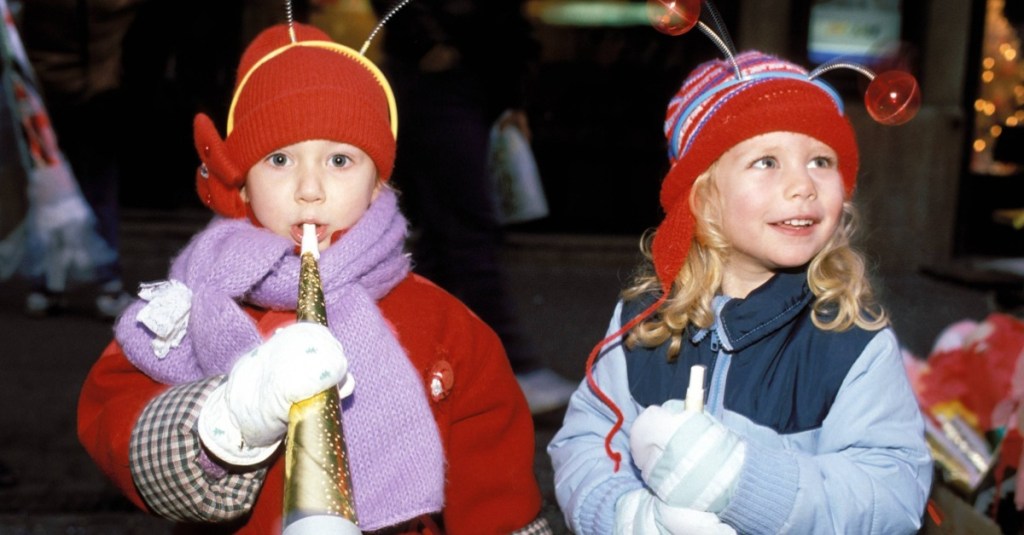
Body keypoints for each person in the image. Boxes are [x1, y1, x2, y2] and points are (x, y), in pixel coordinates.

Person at [77, 22, 549, 534]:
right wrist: (231, 417)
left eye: (340, 160)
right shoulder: (196, 302)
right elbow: (112, 415)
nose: (309, 188)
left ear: (377, 183)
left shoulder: (448, 326)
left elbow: (496, 498)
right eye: (279, 160)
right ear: (244, 182)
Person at [547, 51, 933, 534]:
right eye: (766, 161)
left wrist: (743, 485)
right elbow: (585, 442)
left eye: (821, 160)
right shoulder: (642, 321)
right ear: (703, 193)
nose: (802, 185)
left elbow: (893, 494)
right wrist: (627, 517)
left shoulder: (852, 338)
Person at [368, 0, 576, 414]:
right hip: (443, 79)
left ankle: (403, 360)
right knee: (466, 230)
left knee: (442, 239)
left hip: (475, 79)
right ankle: (514, 367)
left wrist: (510, 99)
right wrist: (427, 42)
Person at [18, 0, 138, 319]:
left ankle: (49, 284)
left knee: (52, 190)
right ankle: (103, 283)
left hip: (53, 93)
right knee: (91, 190)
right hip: (93, 90)